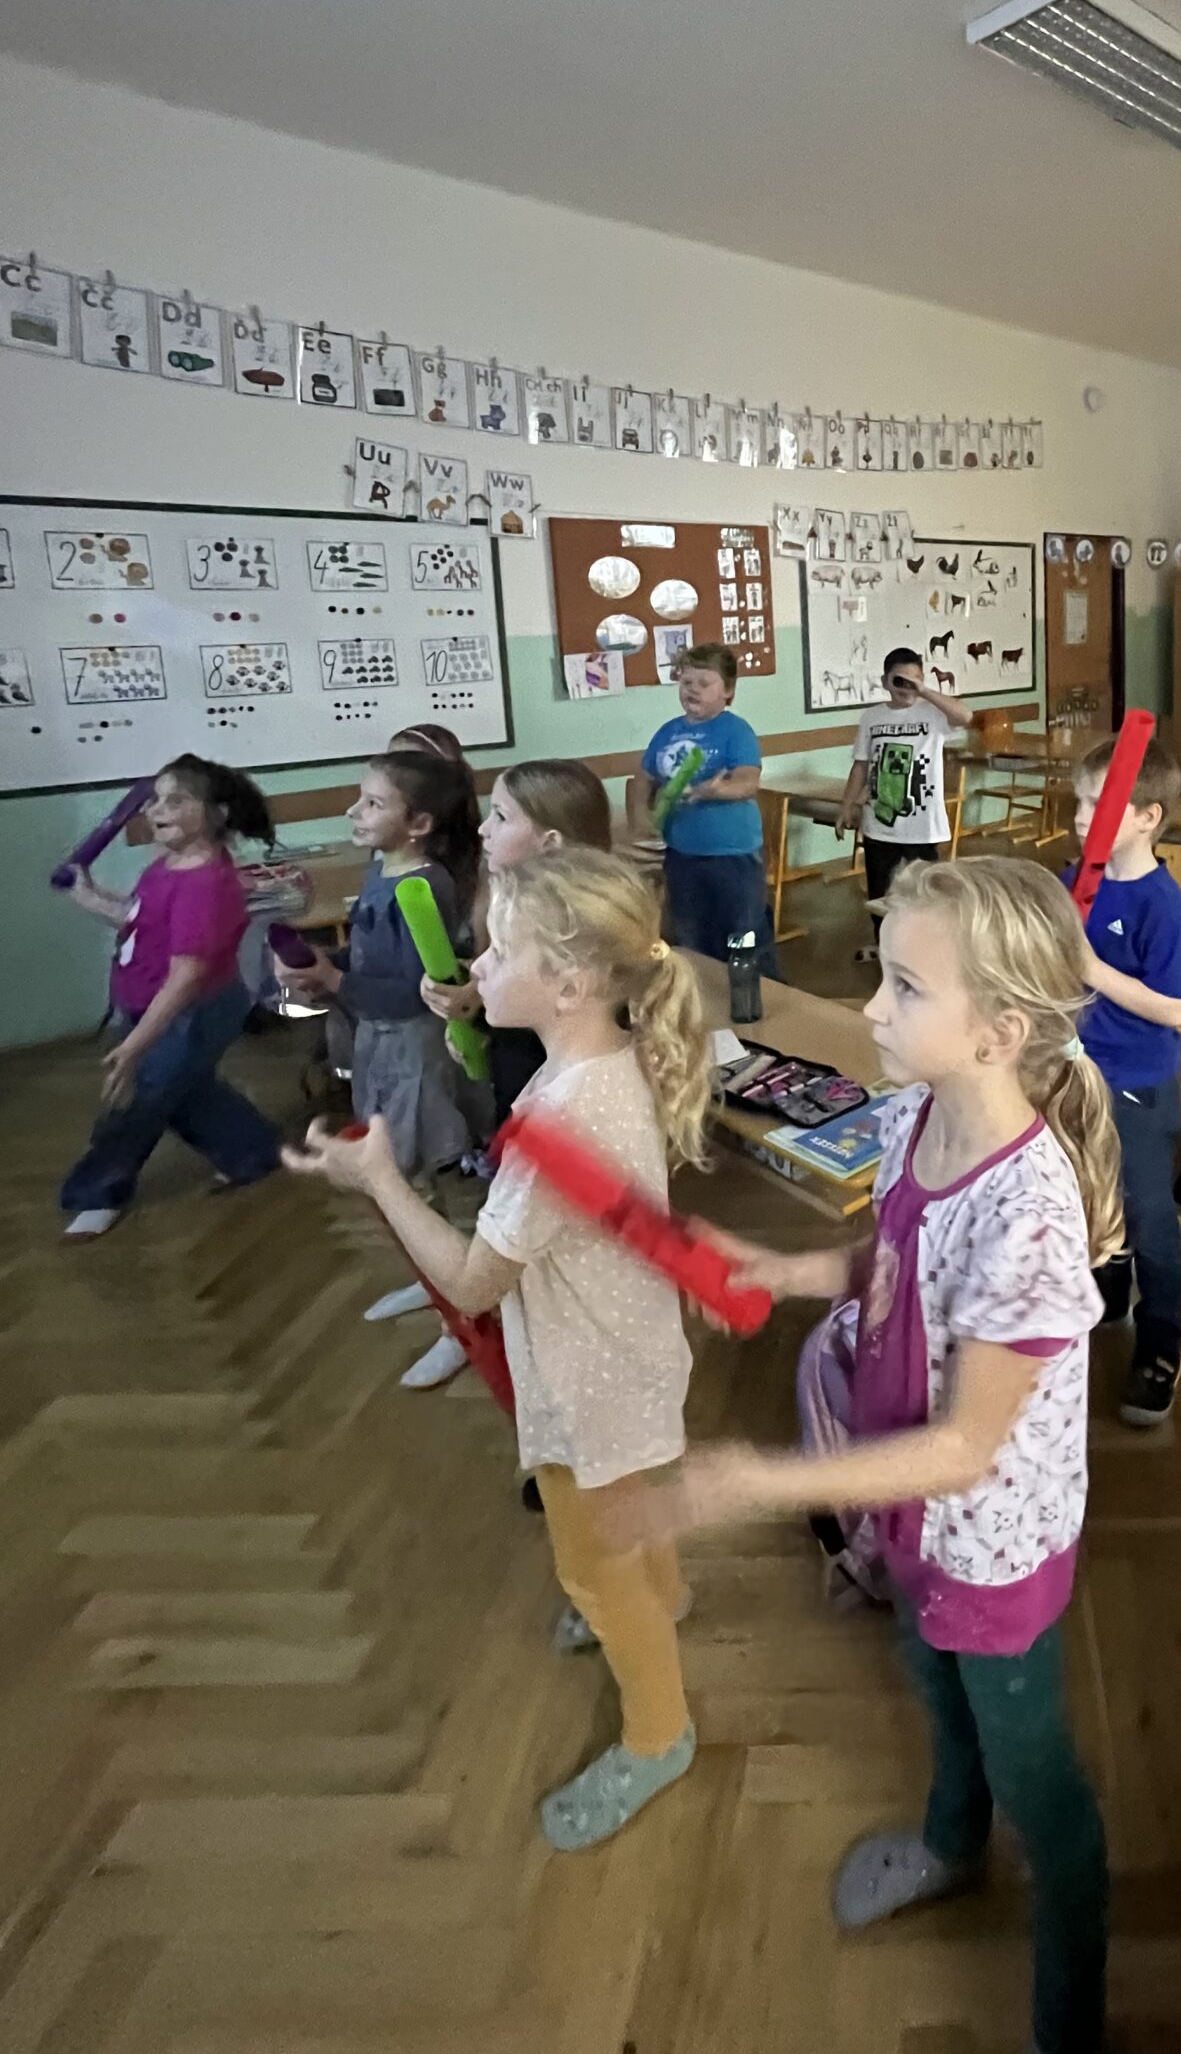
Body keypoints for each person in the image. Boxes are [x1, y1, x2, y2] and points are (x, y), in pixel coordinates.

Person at [643, 856, 1118, 2054]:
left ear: (998, 1033)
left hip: (989, 1545)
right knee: (930, 1682)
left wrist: (758, 1479)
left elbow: (965, 1449)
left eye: (905, 987)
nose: (871, 1007)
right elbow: (892, 1262)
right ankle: (953, 1843)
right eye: (883, 975)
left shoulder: (1032, 1217)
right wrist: (784, 1269)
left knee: (1039, 1780)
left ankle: (1069, 2019)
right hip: (905, 1510)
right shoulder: (915, 1115)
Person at [281, 846, 712, 1852]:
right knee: (634, 1507)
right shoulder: (602, 1061)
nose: (476, 963)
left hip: (589, 1382)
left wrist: (381, 1180)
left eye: (497, 950)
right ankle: (666, 1593)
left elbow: (474, 1282)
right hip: (630, 1358)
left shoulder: (565, 1117)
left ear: (569, 983)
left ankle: (660, 1732)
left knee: (597, 1569)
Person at [369, 760, 618, 1376]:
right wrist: (473, 1010)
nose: (482, 828)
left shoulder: (575, 925)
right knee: (511, 1209)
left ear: (550, 842)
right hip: (522, 1081)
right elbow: (514, 998)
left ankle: (476, 1317)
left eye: (501, 817)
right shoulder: (509, 896)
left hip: (549, 1093)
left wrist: (483, 1007)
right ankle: (464, 1304)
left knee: (538, 1227)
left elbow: (561, 1020)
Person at [271, 751, 481, 1384]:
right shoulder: (382, 869)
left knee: (412, 1173)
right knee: (402, 1174)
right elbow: (371, 960)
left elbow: (416, 990)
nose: (353, 812)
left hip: (411, 1046)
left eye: (372, 803)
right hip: (377, 1041)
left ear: (418, 824)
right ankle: (432, 1277)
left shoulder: (424, 885)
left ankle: (462, 1321)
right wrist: (324, 966)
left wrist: (335, 979)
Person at [58, 755, 284, 1239]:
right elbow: (140, 920)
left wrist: (135, 1046)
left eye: (175, 800)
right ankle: (253, 1151)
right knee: (186, 1091)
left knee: (138, 1100)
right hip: (156, 1004)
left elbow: (186, 977)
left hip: (191, 1011)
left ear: (217, 813)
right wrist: (89, 896)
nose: (155, 809)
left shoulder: (205, 886)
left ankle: (98, 1192)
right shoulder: (168, 867)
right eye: (156, 799)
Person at [1070, 731, 1181, 1426]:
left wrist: (1092, 972)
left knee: (1148, 1214)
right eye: (1079, 802)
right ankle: (1111, 1292)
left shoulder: (1161, 906)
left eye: (1098, 805)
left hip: (1138, 1085)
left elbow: (1174, 1009)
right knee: (1095, 1194)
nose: (1079, 818)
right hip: (1076, 1071)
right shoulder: (1078, 881)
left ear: (1148, 817)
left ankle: (1161, 1339)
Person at [631, 644, 772, 966]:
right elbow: (642, 778)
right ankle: (704, 991)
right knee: (692, 935)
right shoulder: (668, 731)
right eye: (686, 682)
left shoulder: (735, 730)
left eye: (704, 683)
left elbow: (748, 781)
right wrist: (641, 816)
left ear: (728, 691)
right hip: (682, 854)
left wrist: (715, 791)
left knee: (743, 935)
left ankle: (753, 991)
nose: (692, 689)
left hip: (733, 856)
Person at [837, 647, 974, 950]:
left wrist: (923, 690)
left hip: (922, 827)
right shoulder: (871, 717)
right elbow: (861, 765)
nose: (907, 687)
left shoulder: (933, 713)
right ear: (885, 681)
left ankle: (927, 949)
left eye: (915, 679)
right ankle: (886, 947)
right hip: (879, 825)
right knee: (880, 894)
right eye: (900, 680)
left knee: (928, 894)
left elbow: (965, 716)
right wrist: (847, 806)